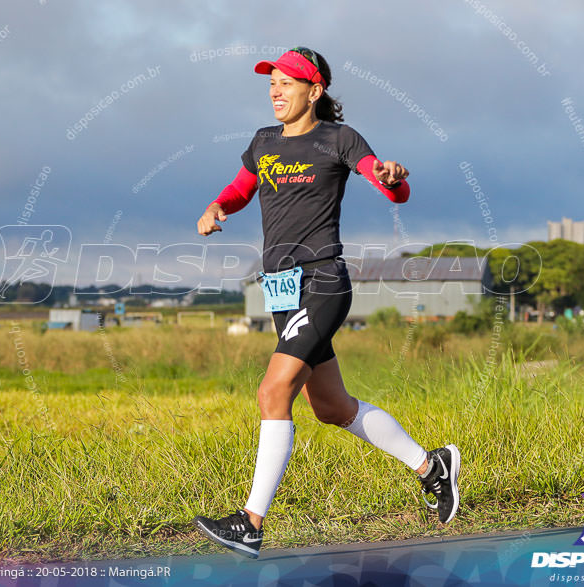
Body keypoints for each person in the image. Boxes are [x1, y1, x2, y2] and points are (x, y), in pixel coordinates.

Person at [192, 46, 460, 559]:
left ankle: (250, 523)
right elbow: (241, 189)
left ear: (314, 91)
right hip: (280, 287)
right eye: (271, 83)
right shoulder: (263, 142)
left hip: (322, 282)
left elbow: (388, 186)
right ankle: (432, 467)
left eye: (286, 83)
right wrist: (217, 206)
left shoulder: (338, 138)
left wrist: (392, 178)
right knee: (332, 407)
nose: (275, 90)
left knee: (273, 392)